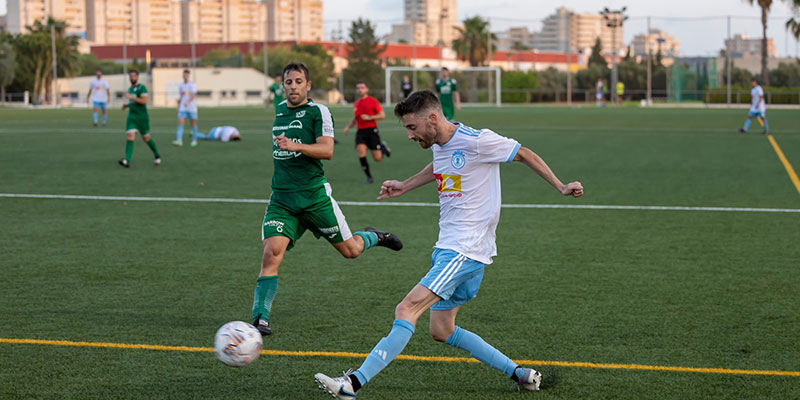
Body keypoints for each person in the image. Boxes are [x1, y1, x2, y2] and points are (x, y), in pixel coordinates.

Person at [314, 90, 584, 398]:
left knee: (406, 308)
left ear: (432, 119)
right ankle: (521, 374)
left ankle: (353, 384)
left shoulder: (477, 140)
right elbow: (440, 167)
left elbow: (524, 153)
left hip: (464, 250)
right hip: (453, 249)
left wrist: (561, 186)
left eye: (412, 127)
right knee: (441, 330)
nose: (409, 135)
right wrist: (405, 185)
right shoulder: (441, 144)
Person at [253, 62, 404, 337]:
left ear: (308, 85)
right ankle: (259, 319)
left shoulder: (318, 111)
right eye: (289, 82)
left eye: (299, 81)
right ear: (283, 85)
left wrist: (295, 145)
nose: (293, 86)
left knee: (351, 251)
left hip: (315, 198)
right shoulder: (279, 109)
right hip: (283, 199)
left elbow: (327, 150)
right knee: (271, 252)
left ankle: (374, 236)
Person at [342, 82, 388, 184]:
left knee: (378, 158)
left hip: (372, 131)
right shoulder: (356, 103)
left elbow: (382, 115)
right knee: (360, 151)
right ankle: (369, 177)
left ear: (366, 89)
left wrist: (370, 117)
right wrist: (348, 127)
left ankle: (382, 147)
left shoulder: (373, 101)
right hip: (361, 132)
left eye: (362, 88)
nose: (360, 90)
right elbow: (356, 118)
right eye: (358, 88)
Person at [119, 70, 160, 168]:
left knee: (146, 138)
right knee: (130, 136)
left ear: (137, 77)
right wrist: (127, 105)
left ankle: (157, 155)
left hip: (142, 118)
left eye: (134, 76)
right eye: (131, 76)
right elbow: (134, 102)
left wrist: (131, 98)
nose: (132, 78)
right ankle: (127, 160)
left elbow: (144, 101)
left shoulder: (142, 88)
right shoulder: (130, 89)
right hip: (132, 117)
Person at [172, 69, 199, 147]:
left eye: (187, 75)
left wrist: (188, 102)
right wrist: (178, 106)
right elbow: (181, 96)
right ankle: (179, 140)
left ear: (189, 76)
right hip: (183, 108)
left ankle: (194, 140)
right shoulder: (181, 85)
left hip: (192, 108)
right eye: (184, 75)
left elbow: (193, 95)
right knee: (180, 123)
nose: (185, 76)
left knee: (193, 124)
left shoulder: (192, 85)